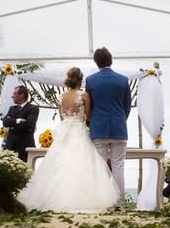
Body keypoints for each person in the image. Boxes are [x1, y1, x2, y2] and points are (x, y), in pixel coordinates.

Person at [18, 67, 120, 212]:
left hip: (65, 130)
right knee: (83, 162)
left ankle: (51, 199)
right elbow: (89, 117)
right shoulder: (84, 95)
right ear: (80, 80)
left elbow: (62, 116)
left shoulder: (61, 96)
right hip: (79, 129)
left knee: (59, 163)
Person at [85, 48, 132, 204]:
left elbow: (89, 106)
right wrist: (121, 119)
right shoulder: (123, 80)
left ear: (96, 62)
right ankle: (119, 203)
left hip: (99, 128)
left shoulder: (91, 80)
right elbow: (127, 106)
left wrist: (93, 121)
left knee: (101, 167)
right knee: (119, 166)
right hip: (119, 127)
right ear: (110, 60)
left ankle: (103, 202)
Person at [2, 85, 38, 162]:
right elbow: (5, 122)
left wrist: (11, 122)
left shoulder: (33, 108)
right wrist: (17, 121)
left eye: (15, 94)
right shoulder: (12, 108)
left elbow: (29, 124)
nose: (12, 96)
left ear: (22, 95)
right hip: (9, 147)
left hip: (24, 148)